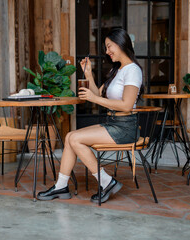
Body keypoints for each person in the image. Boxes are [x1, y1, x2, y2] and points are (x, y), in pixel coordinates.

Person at [37, 28, 143, 204]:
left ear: (122, 44)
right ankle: (61, 186)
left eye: (110, 47)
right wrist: (88, 74)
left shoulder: (132, 70)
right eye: (106, 48)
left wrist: (94, 98)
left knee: (76, 139)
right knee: (70, 136)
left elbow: (126, 104)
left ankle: (106, 182)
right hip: (114, 122)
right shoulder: (117, 70)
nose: (107, 52)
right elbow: (99, 95)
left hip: (125, 127)